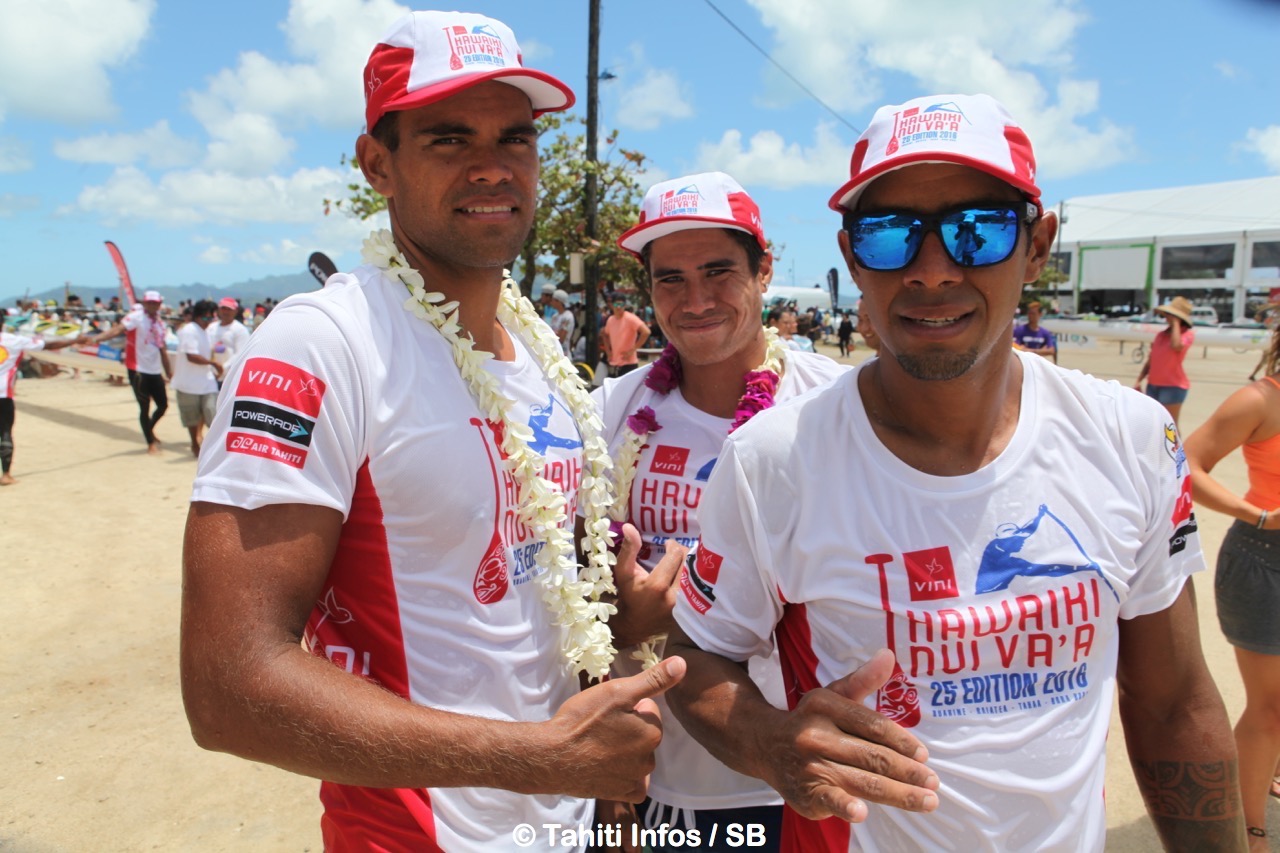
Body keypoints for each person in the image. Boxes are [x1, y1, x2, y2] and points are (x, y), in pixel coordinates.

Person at [664, 93, 1244, 851]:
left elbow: (1174, 702)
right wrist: (769, 743)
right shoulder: (774, 459)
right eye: (890, 233)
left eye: (979, 230)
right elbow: (697, 651)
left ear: (1037, 245)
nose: (932, 271)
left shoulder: (1129, 438)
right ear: (850, 254)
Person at [179, 11, 686, 851]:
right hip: (415, 834)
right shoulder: (325, 344)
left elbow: (516, 601)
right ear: (378, 163)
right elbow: (229, 683)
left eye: (514, 139)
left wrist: (615, 630)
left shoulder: (540, 347)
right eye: (450, 139)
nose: (493, 167)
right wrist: (540, 758)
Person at [603, 171, 850, 847]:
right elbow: (567, 586)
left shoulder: (836, 406)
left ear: (763, 270)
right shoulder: (613, 412)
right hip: (644, 774)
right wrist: (619, 625)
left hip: (787, 771)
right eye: (670, 279)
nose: (697, 299)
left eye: (719, 271)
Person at [1185, 322, 1280, 850]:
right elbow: (1186, 463)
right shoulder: (1260, 400)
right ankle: (1251, 827)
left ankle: (1262, 767)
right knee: (1271, 706)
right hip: (1265, 562)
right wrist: (1256, 514)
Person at [89, 290, 172, 454]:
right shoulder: (136, 317)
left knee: (163, 405)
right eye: (150, 302)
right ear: (144, 303)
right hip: (138, 369)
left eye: (156, 303)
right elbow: (118, 330)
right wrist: (95, 339)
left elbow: (162, 348)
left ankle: (149, 429)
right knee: (145, 406)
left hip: (154, 370)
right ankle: (150, 442)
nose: (153, 306)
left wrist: (169, 371)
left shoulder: (159, 323)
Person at [0, 327, 86, 484]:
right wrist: (74, 340)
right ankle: (6, 475)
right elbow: (48, 345)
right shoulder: (14, 340)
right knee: (5, 432)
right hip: (4, 395)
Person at [171, 299, 223, 456]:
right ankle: (195, 444)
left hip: (206, 382)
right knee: (192, 419)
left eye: (210, 318)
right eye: (205, 318)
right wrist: (213, 364)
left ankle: (216, 449)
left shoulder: (206, 331)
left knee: (212, 414)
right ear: (197, 317)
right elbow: (191, 356)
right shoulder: (189, 330)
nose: (208, 322)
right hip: (188, 383)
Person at [1136, 296, 1195, 428]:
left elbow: (1176, 346)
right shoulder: (1161, 335)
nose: (1166, 317)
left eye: (1170, 315)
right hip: (1153, 385)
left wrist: (1175, 324)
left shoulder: (1187, 335)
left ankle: (1178, 449)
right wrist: (1139, 379)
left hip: (1173, 386)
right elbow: (1152, 360)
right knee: (1154, 424)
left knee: (1170, 426)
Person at [602, 296, 651, 377]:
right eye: (616, 304)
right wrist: (608, 352)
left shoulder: (630, 318)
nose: (618, 307)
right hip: (614, 364)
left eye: (621, 304)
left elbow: (646, 332)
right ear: (612, 305)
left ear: (625, 306)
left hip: (629, 364)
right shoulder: (610, 320)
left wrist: (633, 350)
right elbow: (605, 335)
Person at [209, 296, 250, 374]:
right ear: (218, 310)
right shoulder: (211, 327)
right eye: (223, 308)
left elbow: (240, 353)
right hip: (211, 373)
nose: (226, 312)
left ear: (236, 311)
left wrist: (223, 369)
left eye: (229, 309)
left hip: (229, 374)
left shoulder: (240, 330)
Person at [550, 288, 575, 357]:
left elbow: (561, 338)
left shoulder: (568, 316)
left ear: (559, 302)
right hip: (553, 353)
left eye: (553, 300)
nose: (551, 302)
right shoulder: (555, 316)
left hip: (564, 355)